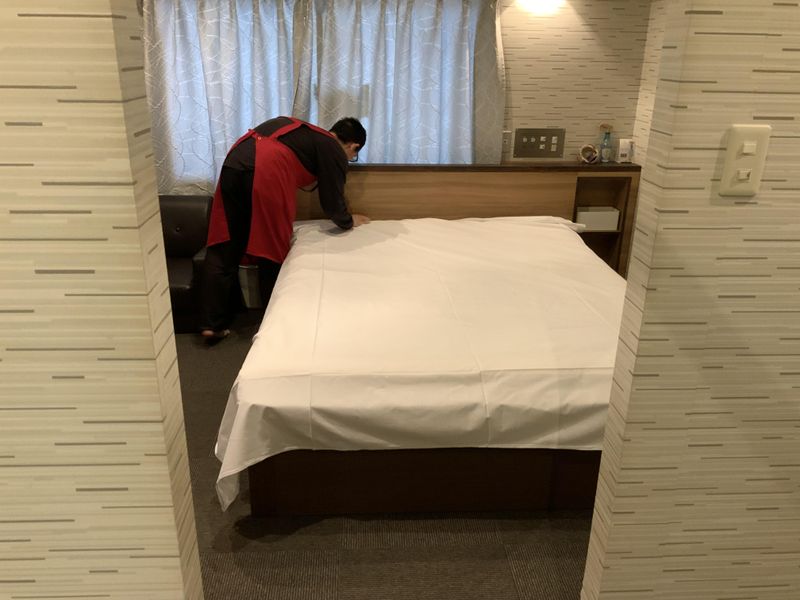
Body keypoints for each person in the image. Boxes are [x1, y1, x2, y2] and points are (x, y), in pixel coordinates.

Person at [199, 116, 370, 340]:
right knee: (270, 247)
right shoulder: (332, 148)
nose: (349, 160)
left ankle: (212, 324)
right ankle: (273, 325)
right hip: (267, 167)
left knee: (227, 242)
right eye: (353, 157)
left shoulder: (307, 134)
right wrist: (348, 220)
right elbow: (331, 201)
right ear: (353, 146)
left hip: (236, 159)